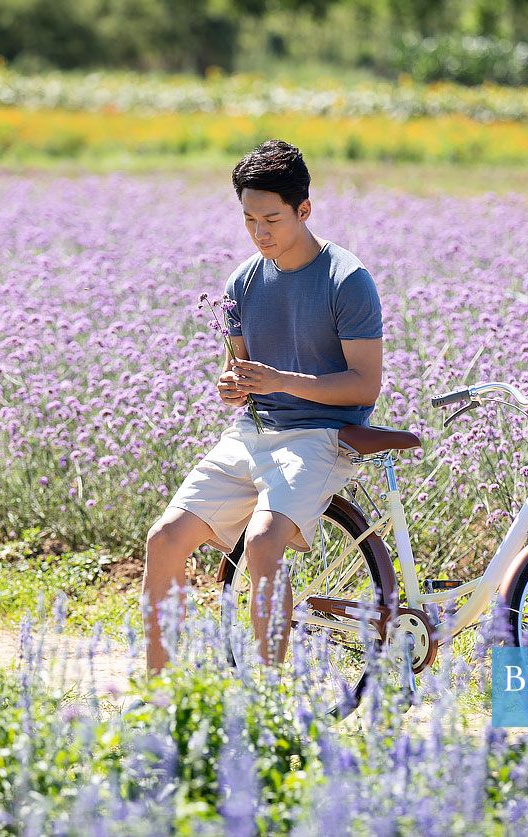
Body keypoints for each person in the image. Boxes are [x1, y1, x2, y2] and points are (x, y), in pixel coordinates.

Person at [141, 139, 384, 673]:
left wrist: (281, 381)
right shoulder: (243, 281)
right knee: (164, 540)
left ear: (305, 210)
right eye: (249, 220)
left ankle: (266, 702)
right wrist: (234, 386)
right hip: (252, 432)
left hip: (321, 435)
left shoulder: (348, 280)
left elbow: (365, 387)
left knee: (262, 541)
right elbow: (240, 369)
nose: (260, 233)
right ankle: (158, 695)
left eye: (272, 219)